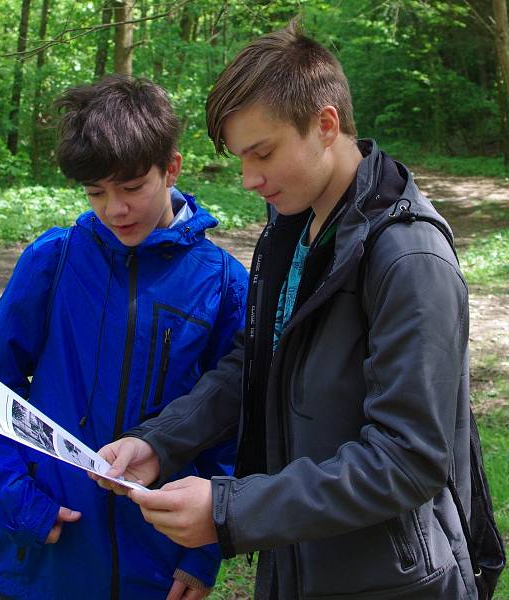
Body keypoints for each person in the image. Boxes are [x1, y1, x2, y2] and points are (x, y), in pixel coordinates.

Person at [95, 19, 477, 599]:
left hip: (392, 581)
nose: (249, 179)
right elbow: (257, 358)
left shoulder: (409, 258)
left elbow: (409, 459)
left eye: (262, 153)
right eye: (239, 158)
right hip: (299, 562)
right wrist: (160, 440)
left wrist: (230, 511)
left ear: (326, 125)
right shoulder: (292, 224)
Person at [0, 74, 249, 600]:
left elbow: (230, 424)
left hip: (150, 565)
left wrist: (202, 552)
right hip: (35, 559)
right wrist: (19, 501)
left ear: (171, 168)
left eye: (132, 187)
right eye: (95, 192)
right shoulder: (54, 260)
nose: (115, 209)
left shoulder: (223, 284)